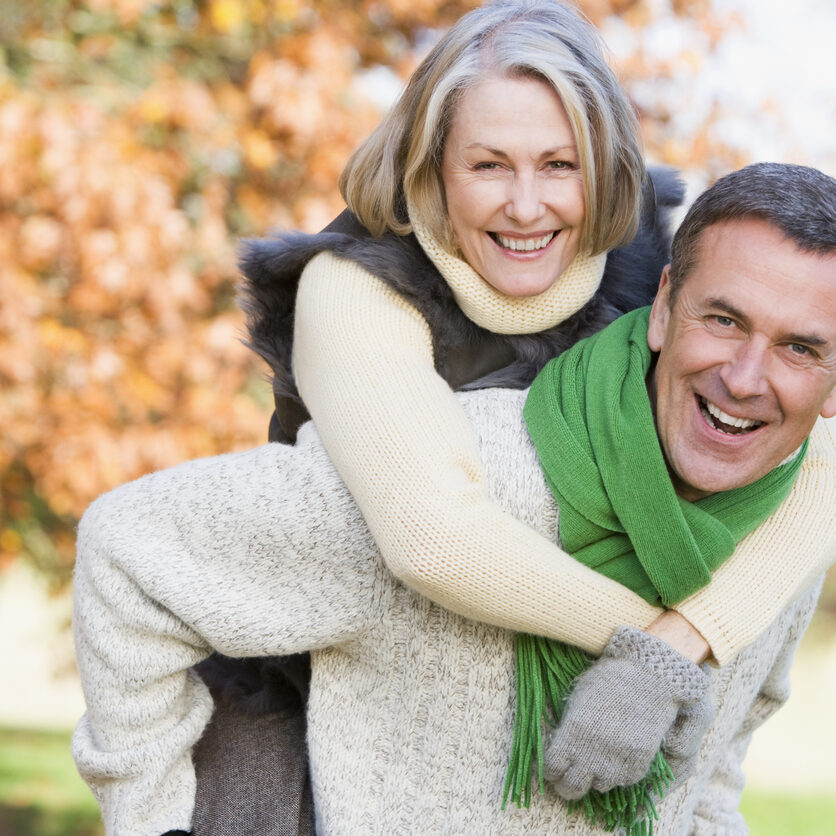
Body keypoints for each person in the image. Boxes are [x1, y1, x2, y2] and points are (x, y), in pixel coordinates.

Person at [192, 0, 834, 829]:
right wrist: (652, 649)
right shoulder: (355, 289)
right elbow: (435, 538)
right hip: (308, 689)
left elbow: (814, 444)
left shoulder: (651, 272)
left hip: (517, 693)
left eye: (559, 165)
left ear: (601, 167)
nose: (527, 207)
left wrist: (682, 647)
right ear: (433, 166)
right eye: (489, 165)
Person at [72, 162, 836, 836]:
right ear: (665, 306)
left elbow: (709, 778)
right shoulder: (456, 470)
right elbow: (127, 550)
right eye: (723, 319)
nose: (744, 378)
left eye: (801, 347)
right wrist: (150, 822)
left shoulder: (782, 538)